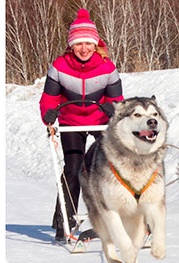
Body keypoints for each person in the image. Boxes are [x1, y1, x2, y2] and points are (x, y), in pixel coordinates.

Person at [39, 8, 124, 241]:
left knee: (111, 167)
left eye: (88, 43)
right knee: (73, 168)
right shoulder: (59, 67)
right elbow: (49, 98)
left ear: (95, 44)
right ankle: (64, 222)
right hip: (70, 121)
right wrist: (49, 114)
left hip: (100, 120)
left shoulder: (107, 68)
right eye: (78, 44)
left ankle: (116, 218)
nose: (83, 49)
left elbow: (118, 101)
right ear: (71, 46)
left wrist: (112, 110)